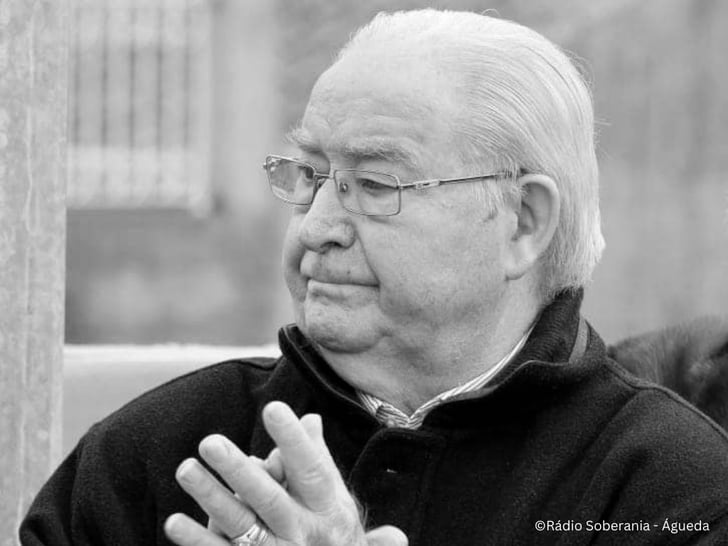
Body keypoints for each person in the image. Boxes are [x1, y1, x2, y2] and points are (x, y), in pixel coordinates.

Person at [21, 9, 728, 546]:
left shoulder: (669, 490)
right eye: (310, 175)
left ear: (523, 221)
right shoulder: (163, 448)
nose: (316, 227)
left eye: (375, 184)